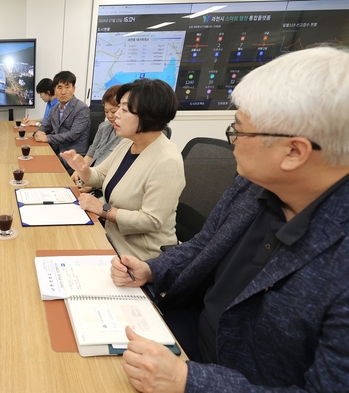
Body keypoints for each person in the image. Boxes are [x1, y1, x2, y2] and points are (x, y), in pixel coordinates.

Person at [111, 47, 349, 392]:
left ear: (294, 152)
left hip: (222, 374)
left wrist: (187, 380)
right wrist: (153, 269)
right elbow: (204, 244)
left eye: (239, 131)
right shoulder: (252, 184)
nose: (233, 144)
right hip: (180, 326)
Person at [61, 78, 184, 261]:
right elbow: (101, 175)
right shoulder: (128, 142)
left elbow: (150, 221)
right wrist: (83, 169)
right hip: (109, 237)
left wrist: (103, 209)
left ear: (148, 115)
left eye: (124, 110)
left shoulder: (167, 161)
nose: (115, 115)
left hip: (138, 256)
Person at [71, 84, 124, 198]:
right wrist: (79, 171)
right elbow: (90, 154)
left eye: (113, 111)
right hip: (91, 177)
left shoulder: (127, 136)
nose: (109, 116)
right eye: (106, 111)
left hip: (103, 188)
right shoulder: (103, 127)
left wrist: (92, 185)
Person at [34, 71, 91, 171]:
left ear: (73, 89)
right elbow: (46, 126)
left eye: (67, 87)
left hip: (74, 157)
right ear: (55, 90)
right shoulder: (55, 108)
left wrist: (47, 138)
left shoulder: (82, 108)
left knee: (40, 168)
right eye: (59, 87)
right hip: (57, 151)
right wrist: (38, 133)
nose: (63, 92)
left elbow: (73, 135)